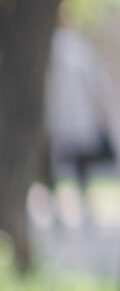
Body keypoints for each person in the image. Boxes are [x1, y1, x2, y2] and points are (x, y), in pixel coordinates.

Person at [46, 25, 119, 226]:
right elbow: (96, 83)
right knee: (79, 167)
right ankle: (83, 211)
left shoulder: (51, 48)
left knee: (57, 167)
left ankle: (60, 213)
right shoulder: (77, 48)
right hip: (77, 117)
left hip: (57, 118)